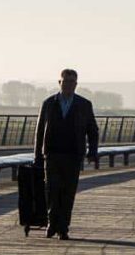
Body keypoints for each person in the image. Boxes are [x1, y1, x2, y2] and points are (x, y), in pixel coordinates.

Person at [33, 68, 99, 240]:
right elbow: (40, 131)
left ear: (76, 84)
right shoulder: (48, 103)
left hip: (73, 155)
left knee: (68, 193)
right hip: (52, 154)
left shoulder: (84, 105)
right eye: (66, 81)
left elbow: (92, 130)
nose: (69, 85)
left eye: (72, 82)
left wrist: (92, 151)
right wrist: (37, 156)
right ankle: (52, 223)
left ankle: (63, 227)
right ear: (59, 82)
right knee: (52, 191)